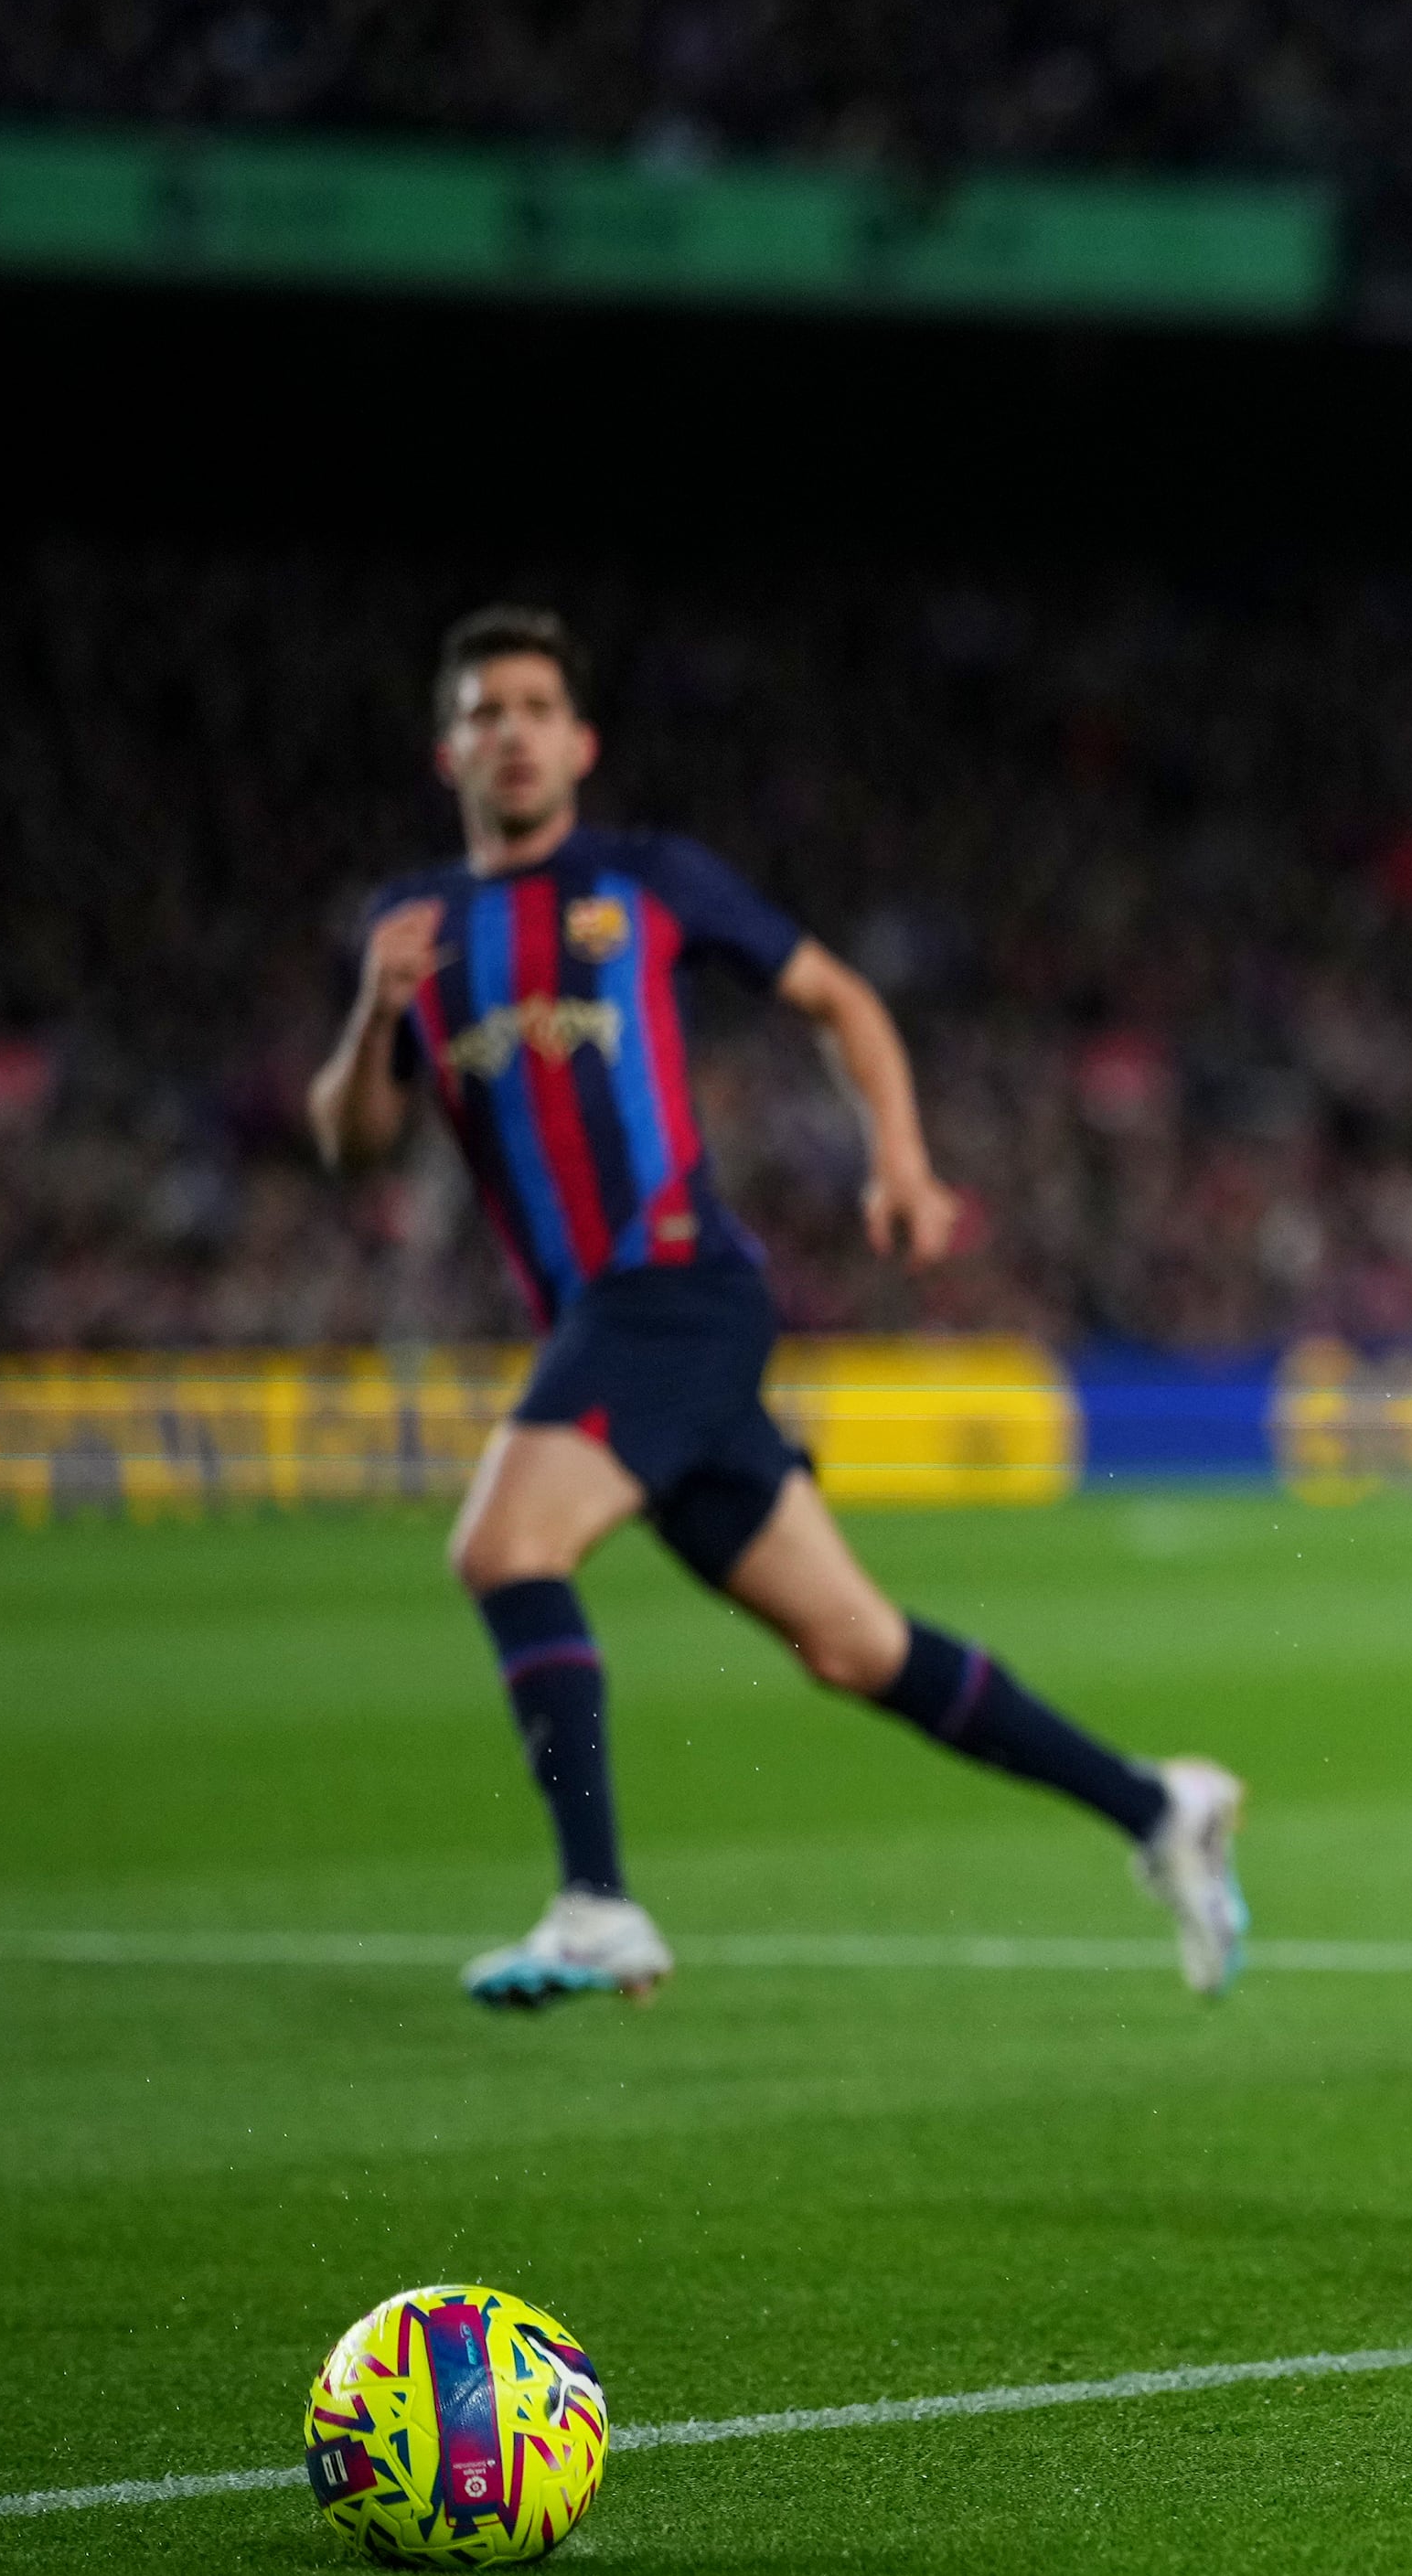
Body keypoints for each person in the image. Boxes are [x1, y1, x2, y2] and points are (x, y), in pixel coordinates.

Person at [308, 606, 1246, 2010]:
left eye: (533, 705)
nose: (510, 729)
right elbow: (353, 1142)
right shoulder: (410, 930)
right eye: (484, 709)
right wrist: (372, 1022)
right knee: (857, 1643)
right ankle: (1155, 1804)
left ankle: (596, 1902)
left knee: (506, 1547)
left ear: (579, 740)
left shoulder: (647, 879)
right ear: (449, 749)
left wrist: (903, 1158)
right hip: (618, 1319)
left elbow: (839, 996)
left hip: (677, 1283)